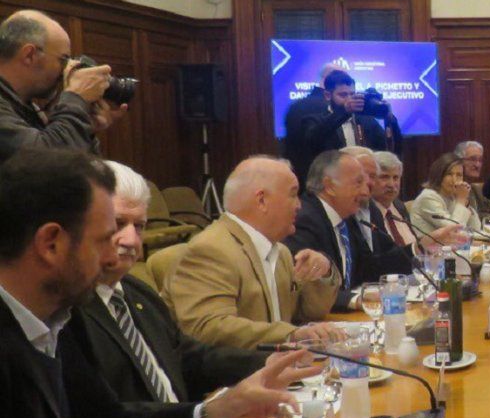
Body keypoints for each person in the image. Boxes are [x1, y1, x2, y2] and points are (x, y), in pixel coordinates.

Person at [0, 147, 318, 418]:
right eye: (103, 239)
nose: (113, 256)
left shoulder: (54, 323)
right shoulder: (55, 323)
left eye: (138, 226)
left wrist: (216, 415)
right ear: (51, 243)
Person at [69, 160, 268, 406]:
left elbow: (188, 359)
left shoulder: (139, 292)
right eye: (118, 224)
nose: (131, 240)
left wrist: (268, 362)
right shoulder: (69, 313)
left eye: (139, 226)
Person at [165, 156, 343, 349]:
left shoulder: (280, 251)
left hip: (279, 363)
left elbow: (308, 313)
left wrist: (322, 272)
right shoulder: (211, 250)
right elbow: (208, 328)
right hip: (238, 368)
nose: (299, 205)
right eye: (293, 195)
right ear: (262, 200)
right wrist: (289, 336)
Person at [285, 150, 410, 312]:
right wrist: (355, 299)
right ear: (330, 186)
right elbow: (307, 289)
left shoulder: (346, 218)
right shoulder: (304, 220)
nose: (365, 192)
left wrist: (418, 249)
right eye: (358, 183)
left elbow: (369, 268)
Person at [0, 10, 123, 164]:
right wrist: (76, 99)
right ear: (29, 55)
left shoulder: (27, 107)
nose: (65, 70)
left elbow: (78, 173)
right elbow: (42, 162)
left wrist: (83, 128)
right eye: (63, 60)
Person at [292, 70, 387, 190]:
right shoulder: (314, 120)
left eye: (352, 94)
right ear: (328, 95)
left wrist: (388, 115)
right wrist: (344, 112)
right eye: (343, 95)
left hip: (364, 184)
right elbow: (314, 138)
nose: (349, 99)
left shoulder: (366, 121)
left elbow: (385, 149)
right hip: (331, 185)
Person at [411, 152, 483, 235]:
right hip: (428, 243)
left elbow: (476, 229)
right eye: (449, 174)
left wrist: (466, 204)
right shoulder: (428, 197)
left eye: (459, 175)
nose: (454, 179)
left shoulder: (452, 196)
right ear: (439, 175)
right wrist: (461, 200)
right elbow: (454, 231)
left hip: (450, 243)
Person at [455, 139, 490, 214]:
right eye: (472, 159)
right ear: (458, 161)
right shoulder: (452, 189)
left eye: (480, 160)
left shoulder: (475, 189)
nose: (477, 165)